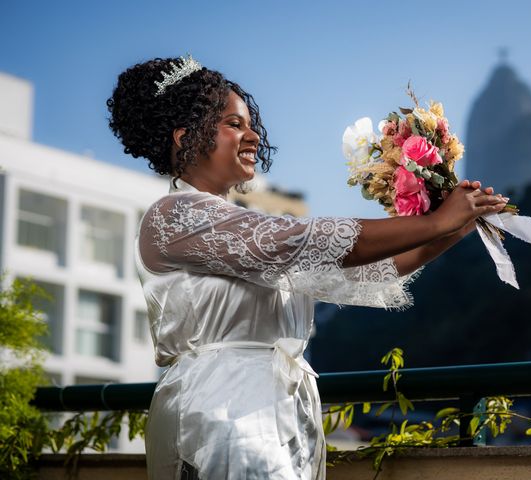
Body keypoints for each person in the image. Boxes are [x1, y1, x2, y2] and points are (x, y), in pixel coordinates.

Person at [107, 55, 507, 480]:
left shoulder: (237, 229)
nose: (253, 136)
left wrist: (454, 227)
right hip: (220, 411)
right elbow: (309, 239)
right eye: (234, 124)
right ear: (185, 138)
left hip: (275, 411)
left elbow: (362, 271)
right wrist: (435, 221)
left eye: (249, 123)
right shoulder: (172, 215)